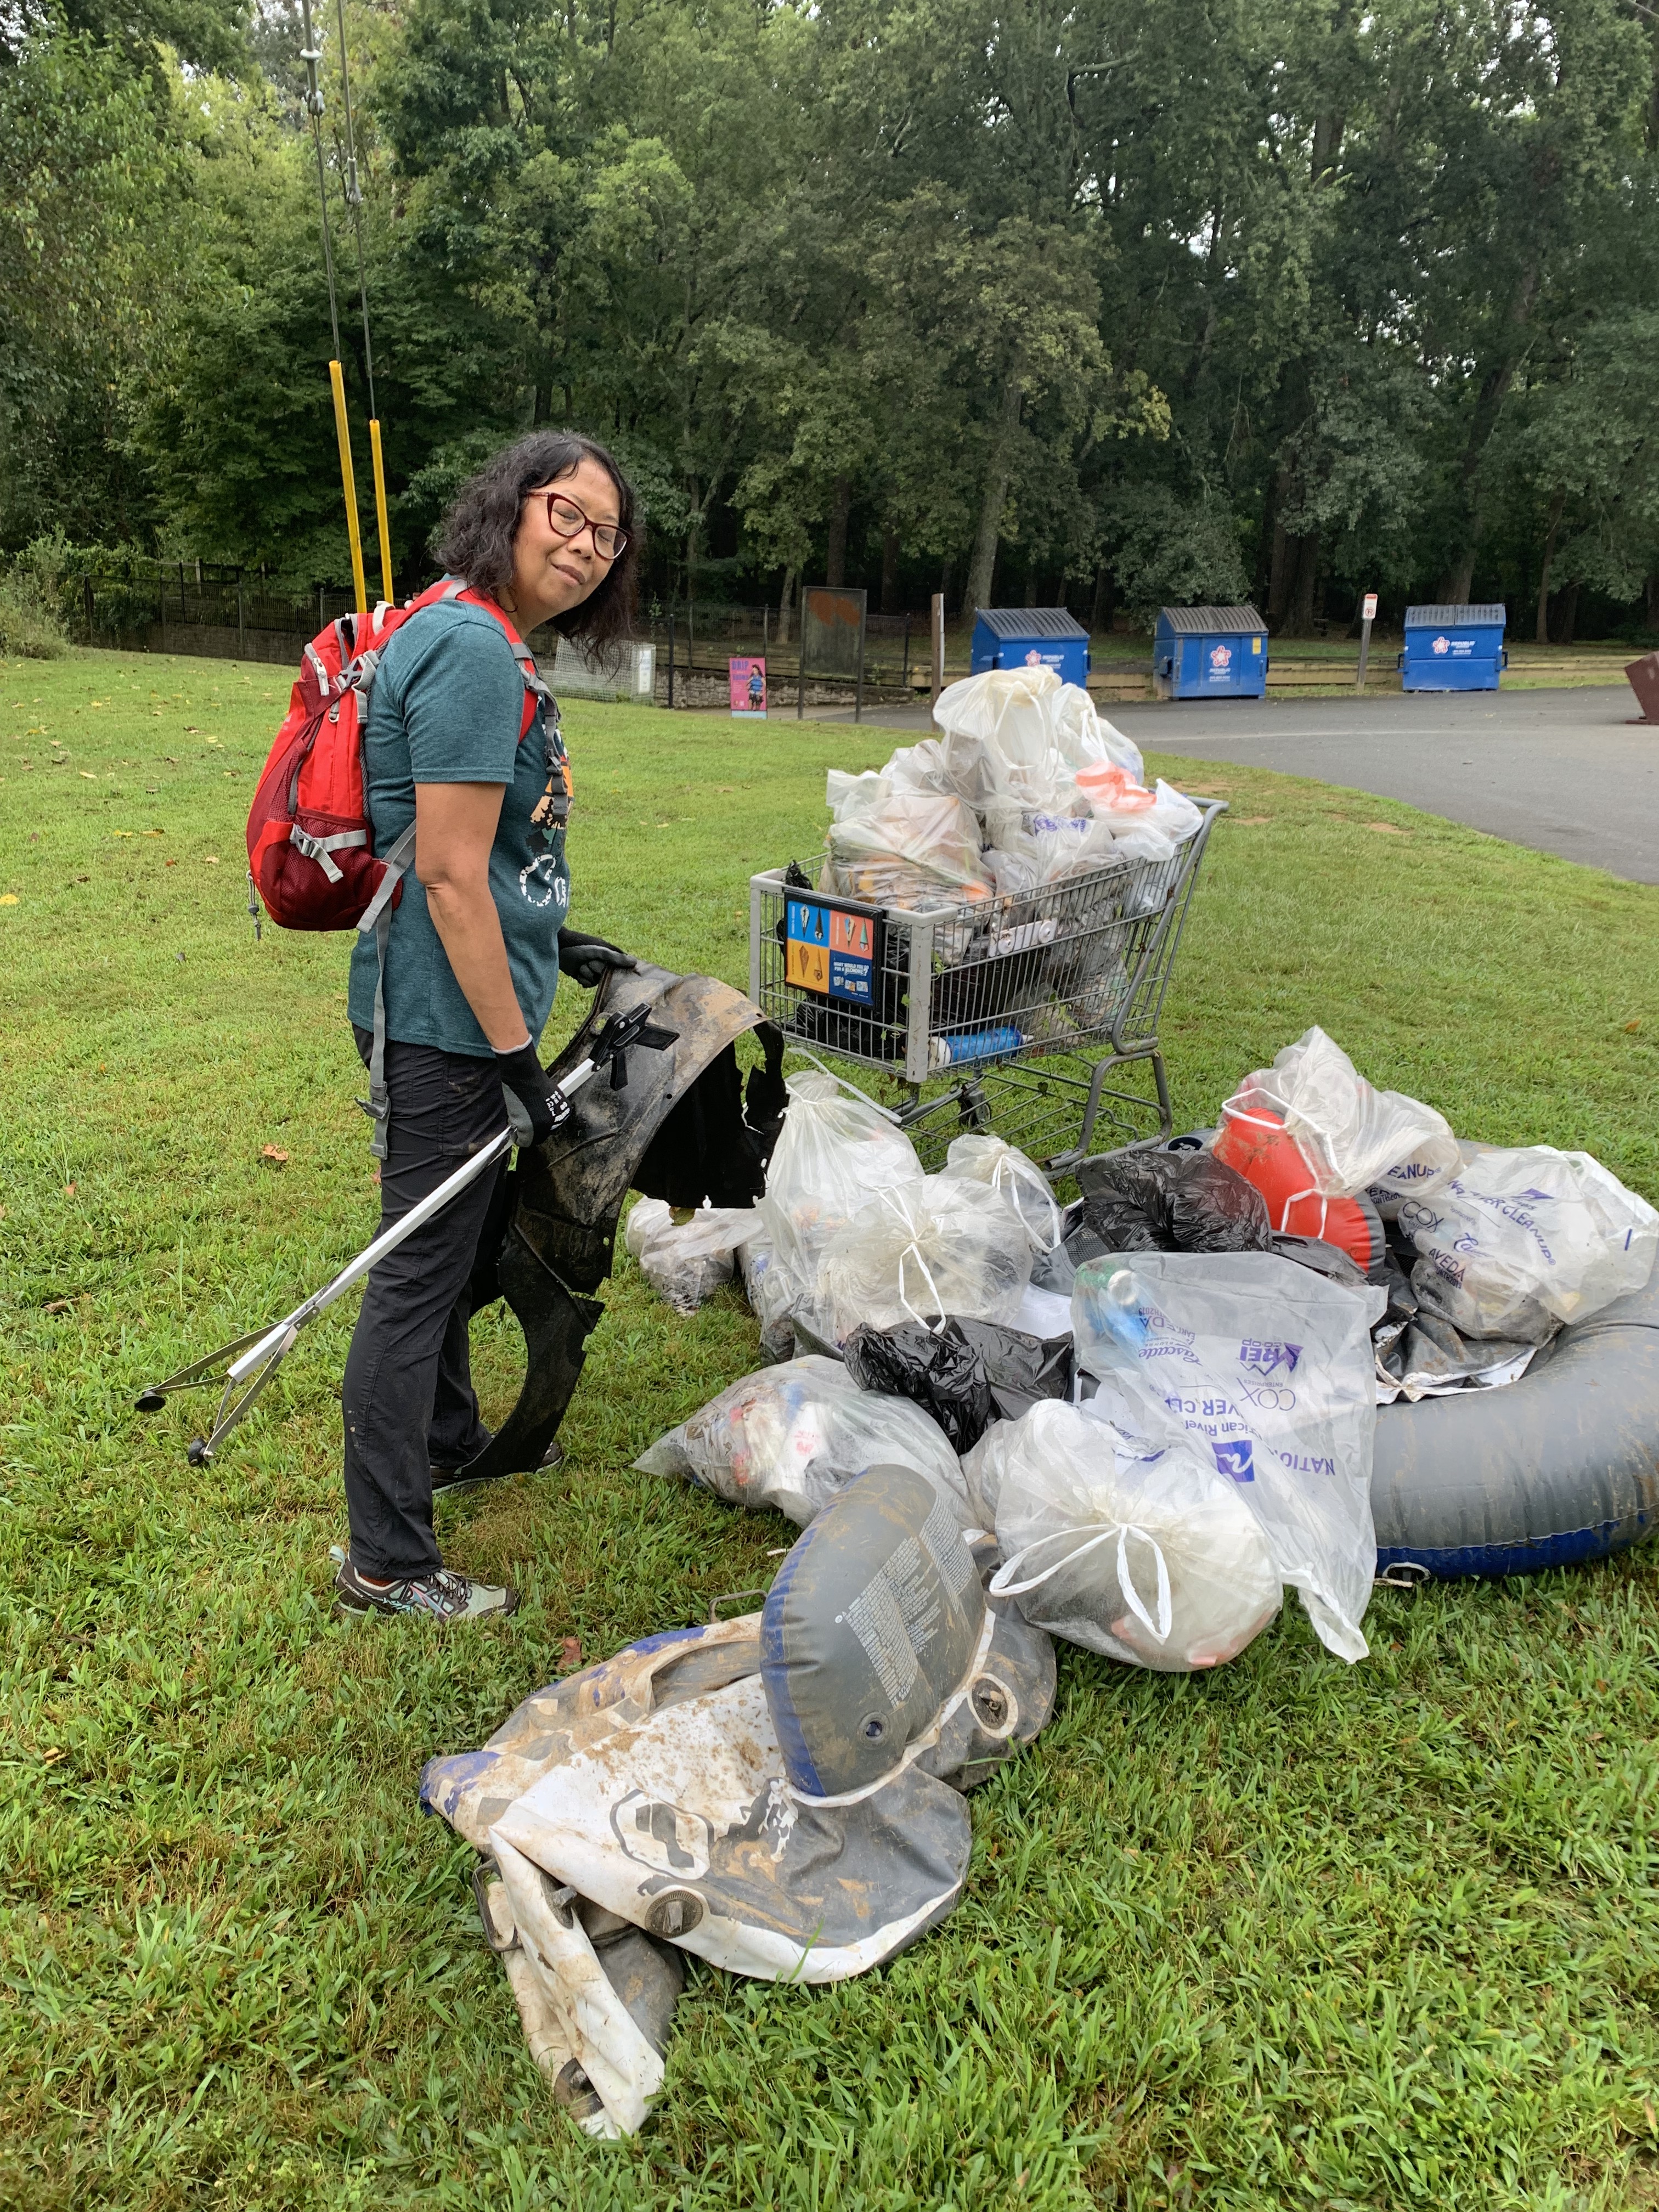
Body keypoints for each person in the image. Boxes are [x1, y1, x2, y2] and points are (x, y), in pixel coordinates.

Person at [332, 431, 640, 1622]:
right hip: (448, 1023)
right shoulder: (469, 648)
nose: (584, 545)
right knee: (418, 1273)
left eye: (607, 535)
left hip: (467, 1003)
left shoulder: (478, 635)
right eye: (567, 513)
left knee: (454, 1250)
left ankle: (451, 1442)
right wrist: (518, 1058)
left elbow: (478, 856)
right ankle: (387, 1562)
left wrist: (558, 939)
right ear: (510, 507)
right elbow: (452, 878)